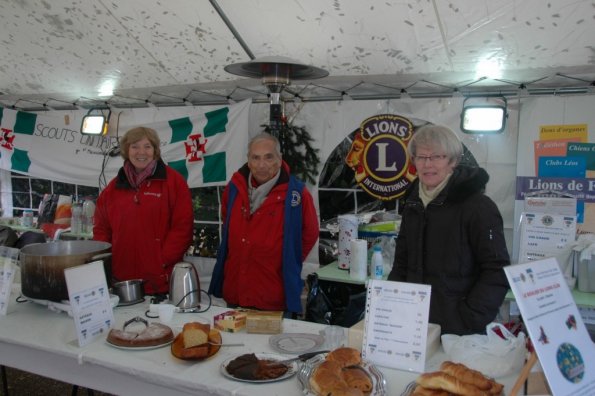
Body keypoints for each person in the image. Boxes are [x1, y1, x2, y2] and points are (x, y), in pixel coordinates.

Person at [388, 125, 510, 335]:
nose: (428, 164)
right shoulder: (413, 204)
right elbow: (402, 262)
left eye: (436, 157)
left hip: (460, 328)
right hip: (414, 323)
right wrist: (392, 303)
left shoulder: (478, 207)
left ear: (452, 161)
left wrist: (469, 317)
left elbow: (496, 270)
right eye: (421, 157)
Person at [209, 132, 319, 315]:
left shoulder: (296, 194)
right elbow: (226, 219)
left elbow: (310, 233)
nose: (261, 165)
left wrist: (288, 257)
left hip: (272, 292)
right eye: (256, 158)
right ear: (248, 160)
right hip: (236, 288)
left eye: (268, 157)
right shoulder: (234, 188)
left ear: (279, 158)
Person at [94, 127, 194, 295]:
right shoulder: (112, 189)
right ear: (126, 150)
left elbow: (183, 228)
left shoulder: (174, 183)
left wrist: (160, 260)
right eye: (135, 146)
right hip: (121, 281)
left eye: (147, 146)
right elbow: (101, 229)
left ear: (155, 150)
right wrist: (108, 260)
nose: (142, 152)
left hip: (159, 281)